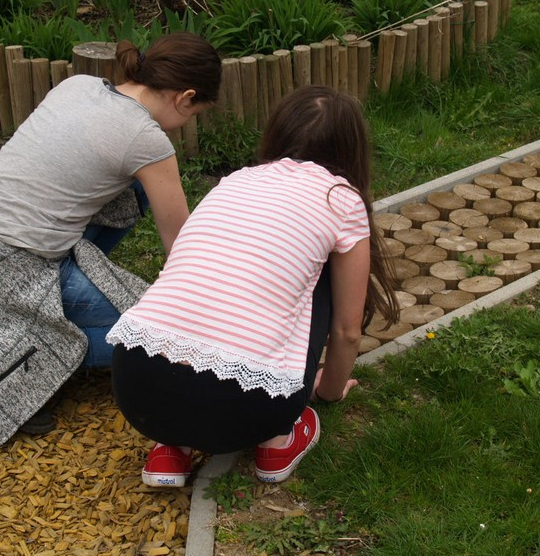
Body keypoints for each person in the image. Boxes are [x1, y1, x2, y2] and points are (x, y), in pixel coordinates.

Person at [107, 85, 400, 486]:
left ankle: (170, 449)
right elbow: (347, 330)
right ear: (352, 148)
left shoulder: (234, 181)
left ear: (278, 132)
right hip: (250, 412)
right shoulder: (342, 200)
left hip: (136, 388)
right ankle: (278, 443)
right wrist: (328, 392)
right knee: (320, 278)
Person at [0, 32, 222, 449]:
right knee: (157, 337)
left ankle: (51, 310)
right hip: (22, 263)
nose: (188, 123)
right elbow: (181, 245)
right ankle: (36, 359)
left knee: (137, 187)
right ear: (185, 97)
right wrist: (206, 318)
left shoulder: (79, 85)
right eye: (194, 113)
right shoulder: (146, 140)